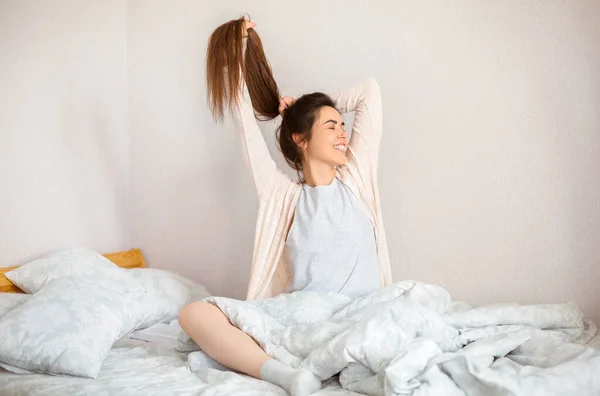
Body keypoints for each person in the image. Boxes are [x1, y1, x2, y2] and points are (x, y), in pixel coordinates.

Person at [179, 16, 392, 396]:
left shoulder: (356, 180)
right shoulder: (283, 197)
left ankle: (294, 366)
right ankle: (280, 374)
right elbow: (245, 126)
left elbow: (369, 92)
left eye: (341, 125)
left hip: (360, 315)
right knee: (193, 314)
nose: (343, 133)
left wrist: (310, 107)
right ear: (301, 140)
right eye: (330, 127)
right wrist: (235, 55)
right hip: (305, 318)